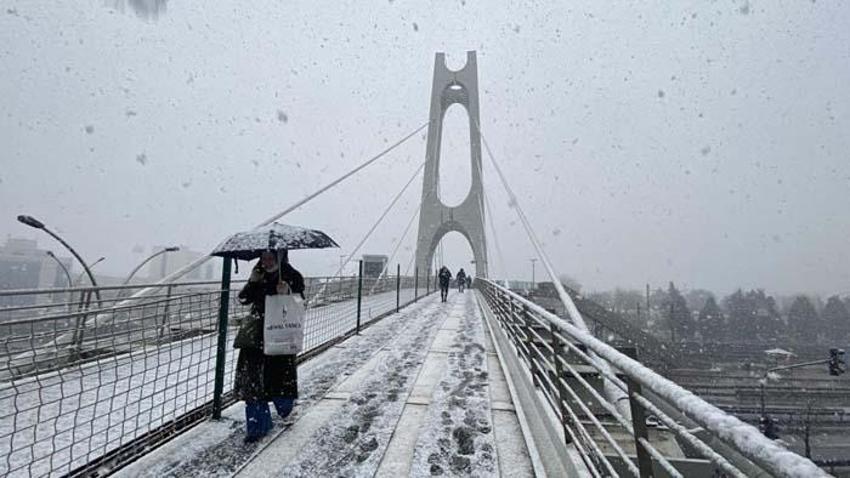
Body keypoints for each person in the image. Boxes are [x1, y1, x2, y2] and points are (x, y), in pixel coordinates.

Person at [234, 249, 305, 443]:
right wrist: (252, 282)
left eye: (271, 258)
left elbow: (300, 303)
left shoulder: (292, 276)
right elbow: (243, 299)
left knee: (280, 379)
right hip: (256, 335)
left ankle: (285, 409)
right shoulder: (259, 275)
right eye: (263, 258)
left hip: (280, 333)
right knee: (254, 382)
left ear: (280, 258)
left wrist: (287, 294)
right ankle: (257, 426)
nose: (266, 262)